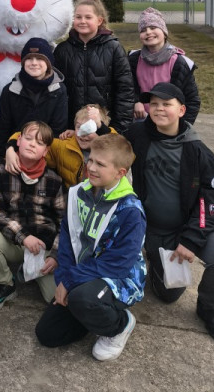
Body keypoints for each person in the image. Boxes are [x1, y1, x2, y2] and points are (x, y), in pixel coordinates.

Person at [126, 82, 214, 341]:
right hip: (155, 228)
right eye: (154, 104)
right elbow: (111, 143)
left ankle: (209, 309)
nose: (159, 109)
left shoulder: (198, 151)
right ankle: (156, 259)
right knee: (167, 297)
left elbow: (210, 201)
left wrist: (191, 239)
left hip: (195, 224)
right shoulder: (138, 134)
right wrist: (94, 128)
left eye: (166, 104)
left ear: (181, 110)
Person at [35, 133, 146, 361]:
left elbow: (119, 264)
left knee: (83, 299)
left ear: (120, 172)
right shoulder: (77, 193)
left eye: (100, 164)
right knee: (47, 334)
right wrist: (64, 277)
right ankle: (87, 311)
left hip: (118, 278)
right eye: (91, 160)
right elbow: (67, 238)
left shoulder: (131, 211)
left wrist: (70, 281)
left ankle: (120, 325)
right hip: (83, 273)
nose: (91, 167)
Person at [0, 121, 65, 311]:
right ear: (18, 141)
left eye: (40, 142)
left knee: (55, 300)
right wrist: (23, 237)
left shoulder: (54, 180)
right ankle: (6, 283)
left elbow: (63, 222)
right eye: (28, 138)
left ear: (45, 151)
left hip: (43, 248)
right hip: (15, 241)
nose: (32, 144)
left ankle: (30, 271)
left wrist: (56, 255)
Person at [54, 0, 134, 134]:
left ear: (99, 20)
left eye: (88, 17)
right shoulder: (62, 50)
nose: (82, 21)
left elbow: (125, 91)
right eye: (78, 17)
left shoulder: (114, 48)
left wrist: (119, 128)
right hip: (71, 126)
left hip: (105, 124)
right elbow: (56, 90)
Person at [0, 37, 68, 162]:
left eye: (39, 58)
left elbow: (58, 129)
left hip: (45, 158)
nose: (34, 63)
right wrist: (3, 156)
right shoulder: (10, 90)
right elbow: (2, 130)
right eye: (29, 58)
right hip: (14, 154)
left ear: (49, 63)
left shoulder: (59, 90)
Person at [129, 7, 200, 123]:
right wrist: (136, 101)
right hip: (140, 120)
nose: (148, 32)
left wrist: (182, 128)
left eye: (153, 27)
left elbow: (192, 100)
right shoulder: (133, 59)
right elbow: (127, 87)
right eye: (143, 30)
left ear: (164, 32)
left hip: (169, 123)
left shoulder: (179, 63)